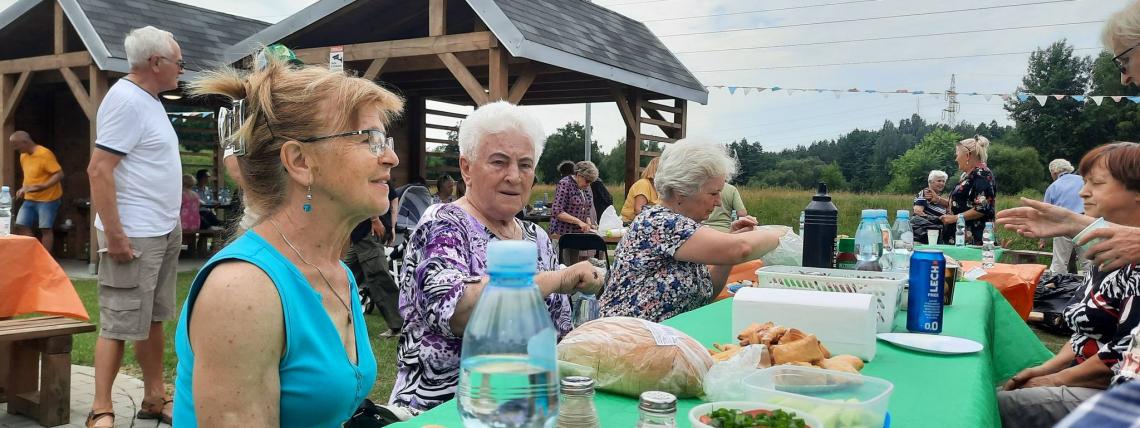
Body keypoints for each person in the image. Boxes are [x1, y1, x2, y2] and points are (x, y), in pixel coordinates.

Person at [172, 52, 405, 426]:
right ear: (299, 161)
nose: (391, 157)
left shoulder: (335, 270)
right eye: (369, 139)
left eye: (384, 139)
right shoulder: (243, 290)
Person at [390, 101, 602, 413]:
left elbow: (558, 331)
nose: (514, 176)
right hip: (445, 409)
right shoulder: (443, 224)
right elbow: (457, 312)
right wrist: (559, 278)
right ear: (466, 168)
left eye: (525, 165)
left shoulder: (537, 238)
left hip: (526, 407)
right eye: (499, 162)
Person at [997, 142, 1140, 428]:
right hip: (1092, 379)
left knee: (994, 406)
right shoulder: (1107, 256)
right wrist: (1044, 369)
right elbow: (1083, 333)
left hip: (1115, 393)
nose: (1082, 192)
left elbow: (1118, 357)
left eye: (1097, 183)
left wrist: (1052, 380)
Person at [84, 26, 184, 428]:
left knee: (153, 318)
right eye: (179, 62)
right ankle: (100, 408)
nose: (182, 69)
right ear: (156, 63)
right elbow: (98, 169)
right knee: (118, 322)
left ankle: (154, 398)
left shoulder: (150, 100)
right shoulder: (126, 101)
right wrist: (117, 235)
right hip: (134, 233)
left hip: (161, 229)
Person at [600, 138, 788, 323]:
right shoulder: (661, 222)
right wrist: (782, 234)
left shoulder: (684, 227)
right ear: (682, 191)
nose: (719, 202)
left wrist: (725, 258)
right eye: (713, 193)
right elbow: (741, 249)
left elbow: (706, 294)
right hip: (625, 343)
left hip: (654, 340)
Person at [10, 130, 63, 250]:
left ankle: (46, 260)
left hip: (48, 199)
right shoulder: (23, 156)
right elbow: (29, 176)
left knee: (45, 228)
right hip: (30, 198)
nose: (14, 148)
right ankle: (35, 252)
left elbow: (59, 174)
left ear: (25, 142)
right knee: (21, 225)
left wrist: (42, 186)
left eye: (16, 145)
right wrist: (23, 188)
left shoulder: (44, 154)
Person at [941, 135, 996, 245]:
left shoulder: (982, 174)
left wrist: (954, 218)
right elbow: (963, 203)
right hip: (960, 238)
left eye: (957, 155)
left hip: (974, 240)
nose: (956, 159)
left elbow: (983, 207)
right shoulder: (967, 175)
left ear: (967, 155)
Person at [1042, 159, 1086, 273]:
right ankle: (1094, 288)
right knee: (1088, 262)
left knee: (1059, 263)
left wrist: (1043, 238)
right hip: (1084, 223)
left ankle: (1056, 288)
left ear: (1054, 172)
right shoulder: (1083, 180)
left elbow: (1045, 213)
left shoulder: (1053, 187)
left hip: (1062, 225)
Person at [549, 161, 599, 236]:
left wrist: (588, 223)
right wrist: (579, 222)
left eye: (591, 182)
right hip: (562, 233)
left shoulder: (585, 187)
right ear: (579, 175)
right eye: (587, 181)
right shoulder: (565, 184)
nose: (588, 184)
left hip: (578, 234)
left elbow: (586, 209)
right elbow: (557, 211)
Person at [912, 170, 951, 244]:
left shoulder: (939, 198)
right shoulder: (926, 193)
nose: (942, 183)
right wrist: (937, 219)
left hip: (936, 234)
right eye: (939, 181)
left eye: (943, 181)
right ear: (930, 182)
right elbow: (918, 212)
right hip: (925, 234)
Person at [620, 157, 660, 223]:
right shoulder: (643, 184)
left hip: (644, 223)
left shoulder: (658, 188)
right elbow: (638, 210)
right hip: (628, 223)